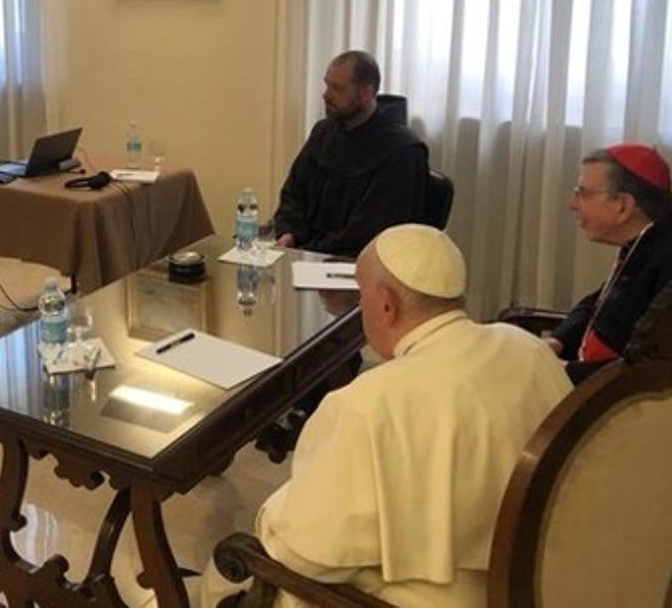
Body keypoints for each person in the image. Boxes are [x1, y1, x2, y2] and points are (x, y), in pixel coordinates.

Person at [205, 224, 571, 608]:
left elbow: (303, 556)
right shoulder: (529, 349)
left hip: (435, 600)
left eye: (361, 297)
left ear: (385, 304)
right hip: (538, 576)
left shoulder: (367, 403)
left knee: (227, 576)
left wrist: (274, 511)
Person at [548, 143, 672, 387]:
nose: (572, 204)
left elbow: (658, 365)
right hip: (606, 381)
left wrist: (563, 371)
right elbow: (599, 302)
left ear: (623, 206)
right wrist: (558, 341)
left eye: (583, 193)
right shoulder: (651, 236)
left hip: (636, 402)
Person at [272, 50, 429, 256]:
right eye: (327, 84)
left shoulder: (401, 151)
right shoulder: (324, 132)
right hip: (307, 254)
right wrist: (289, 233)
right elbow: (294, 193)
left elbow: (366, 234)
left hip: (357, 265)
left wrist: (308, 255)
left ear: (366, 93)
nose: (325, 95)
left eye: (336, 88)